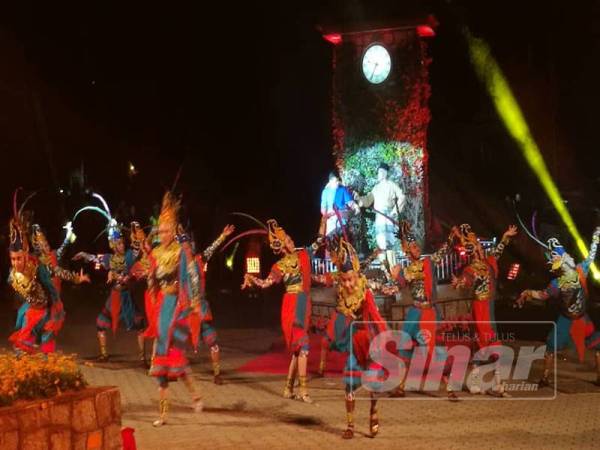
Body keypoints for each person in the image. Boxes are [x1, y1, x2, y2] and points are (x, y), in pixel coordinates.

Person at [313, 236, 388, 438]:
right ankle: (350, 426)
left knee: (373, 384)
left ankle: (373, 411)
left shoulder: (366, 287)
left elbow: (386, 288)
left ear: (357, 276)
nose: (347, 284)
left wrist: (392, 285)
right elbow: (321, 278)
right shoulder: (338, 282)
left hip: (369, 341)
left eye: (350, 279)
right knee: (349, 383)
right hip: (354, 342)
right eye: (344, 280)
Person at [242, 220, 321, 403]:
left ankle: (288, 388)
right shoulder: (280, 266)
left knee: (298, 349)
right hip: (292, 306)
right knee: (304, 348)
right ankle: (303, 391)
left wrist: (323, 220)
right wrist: (251, 278)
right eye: (289, 240)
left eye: (291, 239)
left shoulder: (303, 255)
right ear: (282, 246)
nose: (292, 242)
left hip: (303, 303)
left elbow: (318, 242)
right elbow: (265, 284)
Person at [145, 191, 204, 426]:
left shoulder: (181, 251)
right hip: (163, 308)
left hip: (178, 308)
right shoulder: (157, 252)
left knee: (176, 358)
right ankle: (163, 414)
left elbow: (193, 276)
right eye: (160, 230)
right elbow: (151, 275)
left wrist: (196, 301)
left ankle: (196, 395)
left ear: (175, 229)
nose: (163, 234)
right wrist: (150, 285)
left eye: (167, 230)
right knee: (160, 361)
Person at [382, 222, 457, 399]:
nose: (416, 249)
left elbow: (443, 252)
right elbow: (397, 286)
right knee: (403, 346)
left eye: (416, 246)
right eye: (413, 247)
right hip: (415, 312)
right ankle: (400, 386)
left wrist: (452, 237)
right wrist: (393, 277)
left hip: (428, 312)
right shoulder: (406, 270)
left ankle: (450, 388)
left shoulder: (428, 263)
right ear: (407, 252)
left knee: (435, 349)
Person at [516, 227, 600, 387]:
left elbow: (591, 255)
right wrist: (527, 292)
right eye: (567, 257)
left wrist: (596, 238)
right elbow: (542, 295)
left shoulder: (580, 271)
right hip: (567, 320)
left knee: (598, 343)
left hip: (581, 318)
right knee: (551, 346)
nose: (569, 257)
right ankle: (545, 377)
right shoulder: (561, 281)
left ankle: (599, 378)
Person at [8, 203, 89, 354]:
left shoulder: (42, 263)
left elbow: (57, 270)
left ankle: (47, 366)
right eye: (13, 259)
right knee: (23, 341)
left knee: (46, 340)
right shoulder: (18, 270)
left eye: (18, 258)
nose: (16, 262)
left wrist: (77, 278)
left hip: (48, 303)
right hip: (32, 308)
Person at [451, 223, 517, 395]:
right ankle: (486, 383)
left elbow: (498, 251)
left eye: (480, 245)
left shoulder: (488, 262)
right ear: (474, 251)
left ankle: (493, 383)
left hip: (489, 306)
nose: (481, 248)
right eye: (478, 246)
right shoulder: (472, 268)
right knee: (488, 345)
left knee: (489, 346)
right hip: (480, 308)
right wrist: (460, 282)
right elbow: (467, 279)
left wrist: (505, 235)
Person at [73, 206, 146, 362]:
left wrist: (136, 228)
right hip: (114, 297)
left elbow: (137, 247)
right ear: (113, 245)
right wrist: (84, 254)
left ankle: (143, 357)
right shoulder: (109, 258)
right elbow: (95, 258)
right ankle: (104, 354)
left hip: (127, 298)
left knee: (140, 325)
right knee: (100, 323)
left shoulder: (129, 256)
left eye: (122, 243)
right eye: (118, 244)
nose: (121, 245)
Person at [189, 224, 235, 384]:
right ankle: (167, 369)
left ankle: (217, 374)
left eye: (190, 245)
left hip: (201, 308)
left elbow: (212, 248)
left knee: (213, 342)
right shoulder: (177, 265)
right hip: (185, 310)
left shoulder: (200, 260)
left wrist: (223, 235)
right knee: (174, 340)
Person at [356, 163, 405, 267]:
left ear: (384, 173)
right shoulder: (376, 188)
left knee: (389, 245)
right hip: (379, 219)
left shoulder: (391, 185)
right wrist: (358, 198)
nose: (378, 174)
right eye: (378, 172)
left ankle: (394, 272)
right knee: (381, 246)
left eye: (379, 172)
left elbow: (402, 197)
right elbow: (367, 200)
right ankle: (386, 273)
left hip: (388, 218)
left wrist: (395, 211)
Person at [320, 172, 358, 237]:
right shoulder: (325, 192)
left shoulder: (342, 189)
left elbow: (350, 202)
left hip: (343, 218)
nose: (337, 182)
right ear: (330, 181)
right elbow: (323, 209)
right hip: (331, 219)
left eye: (338, 180)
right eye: (335, 181)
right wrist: (328, 214)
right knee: (330, 239)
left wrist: (356, 207)